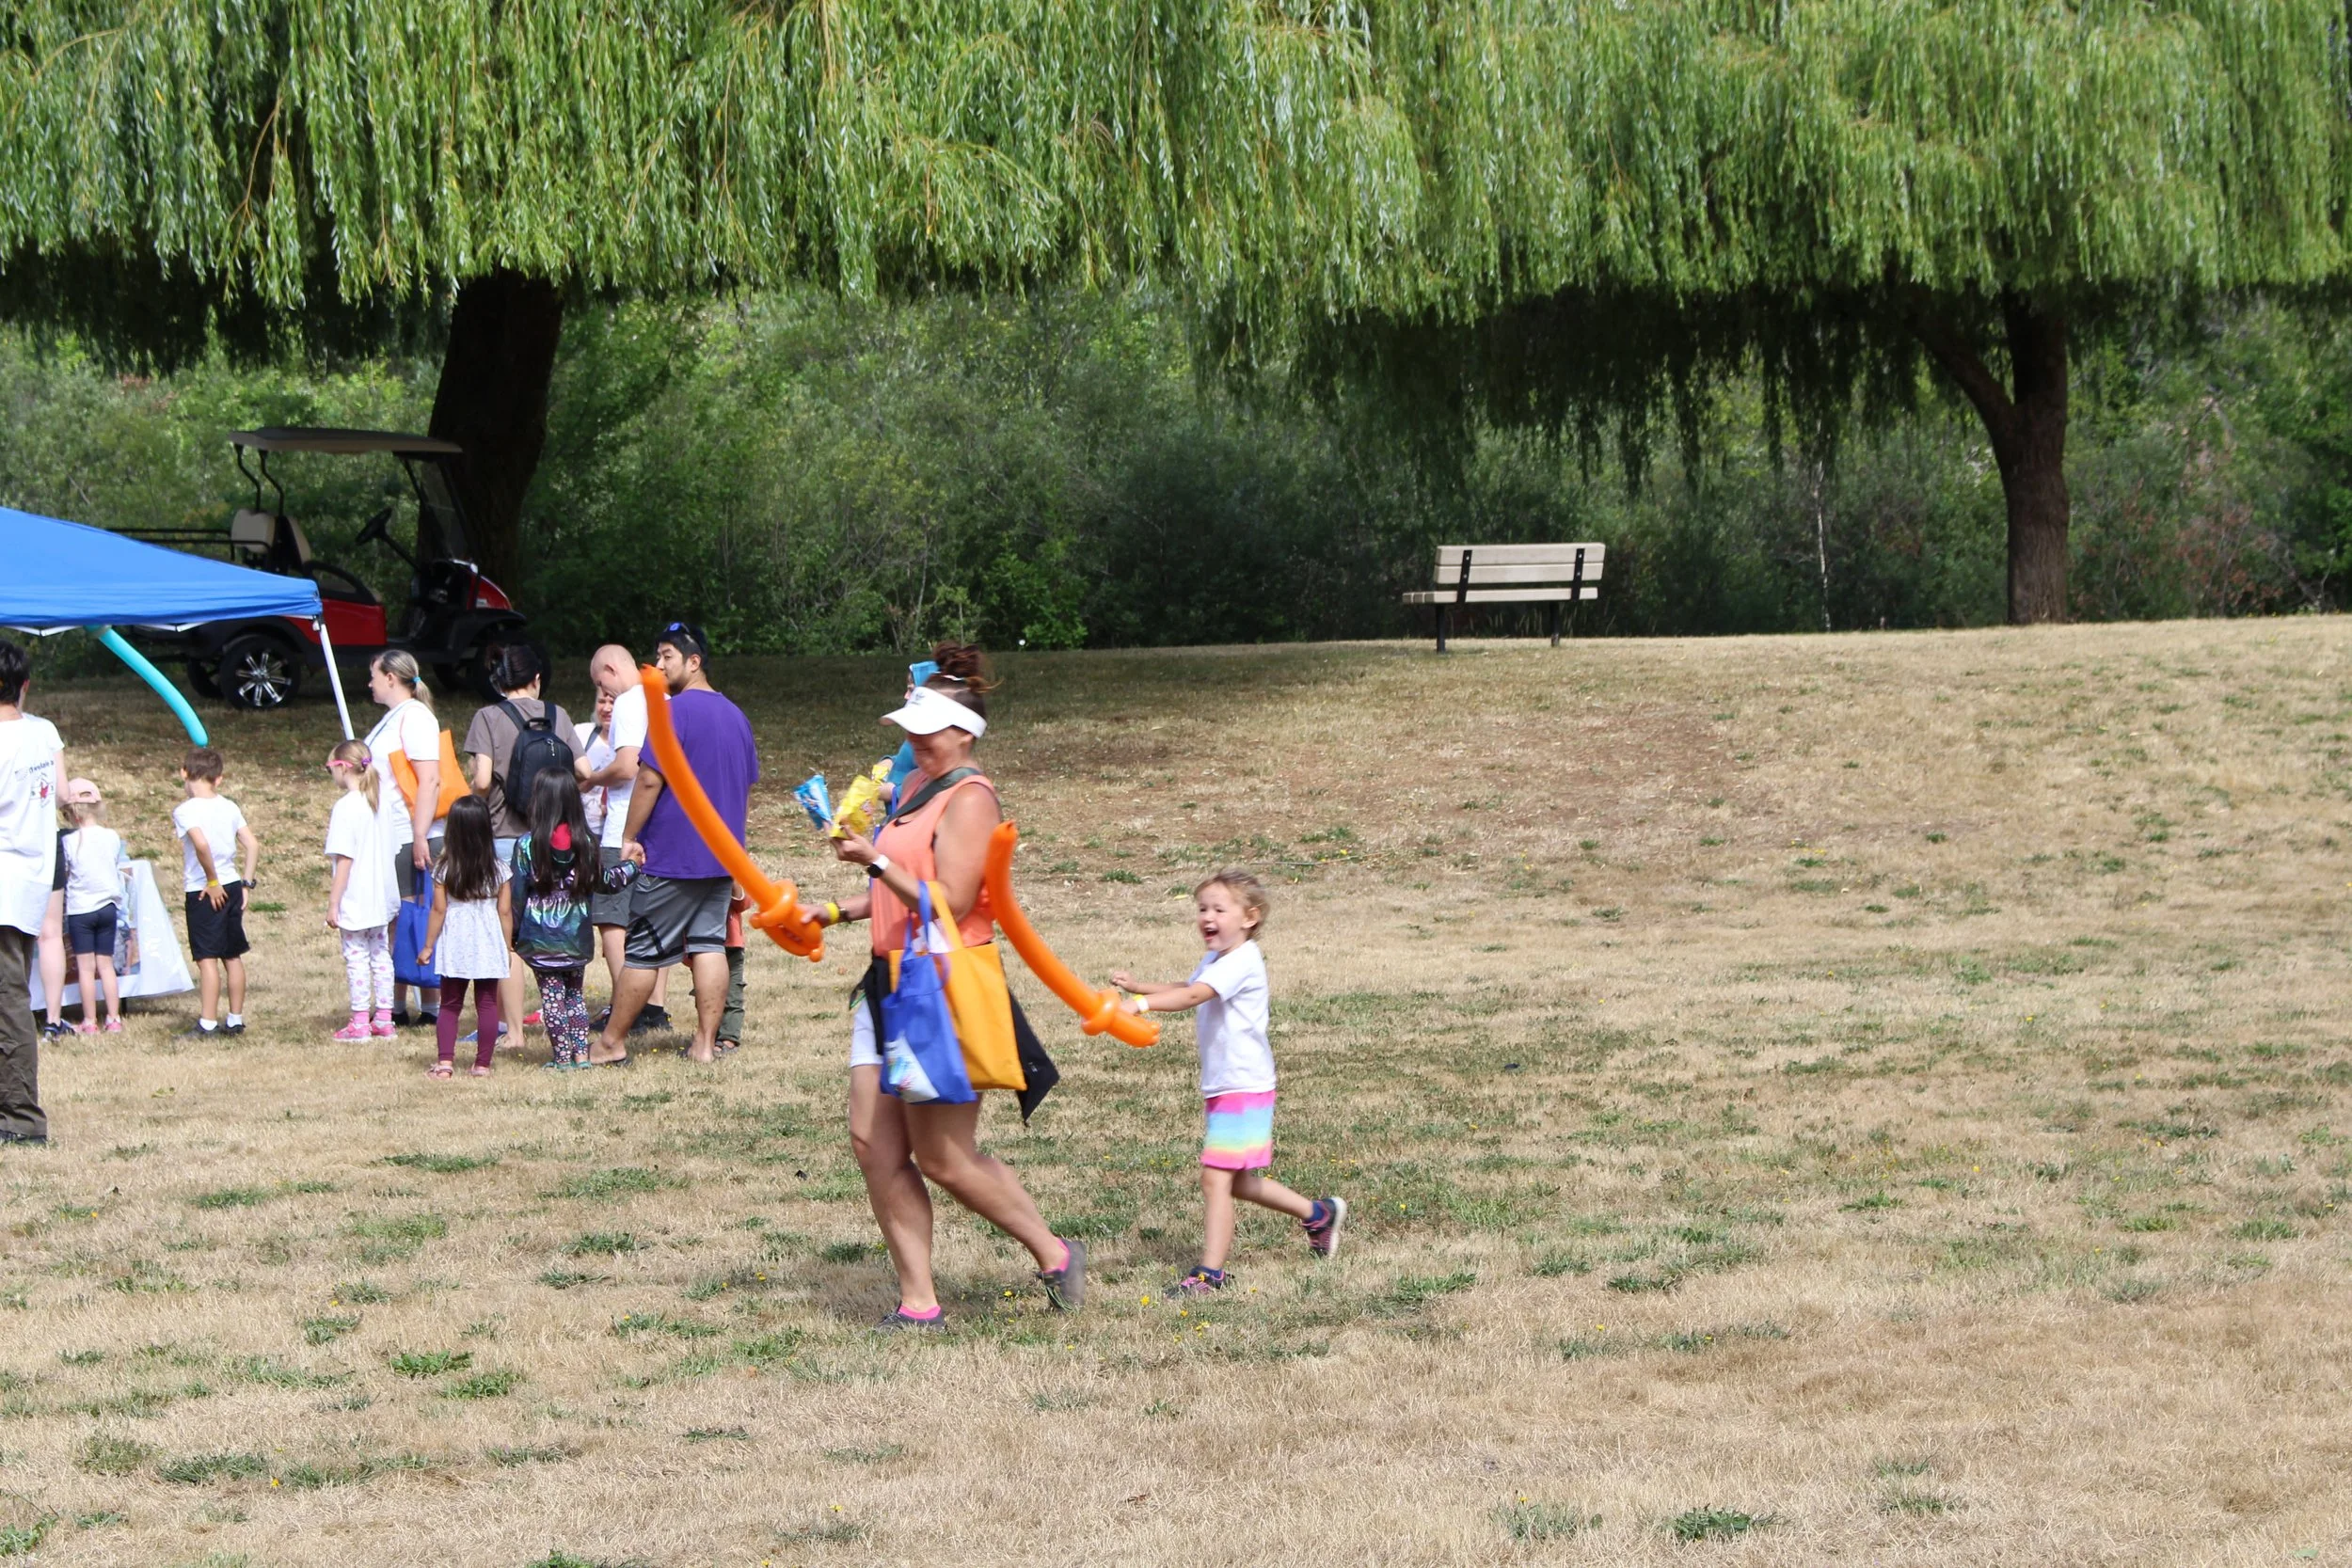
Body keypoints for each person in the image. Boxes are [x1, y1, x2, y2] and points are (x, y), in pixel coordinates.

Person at [795, 644, 1084, 1326]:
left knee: (945, 1157)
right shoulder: (918, 791)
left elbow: (949, 899)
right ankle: (919, 1301)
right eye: (910, 729)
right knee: (874, 1144)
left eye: (926, 729)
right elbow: (899, 889)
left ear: (964, 732)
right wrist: (835, 908)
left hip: (941, 986)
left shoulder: (971, 797)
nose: (913, 739)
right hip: (889, 979)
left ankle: (1054, 1252)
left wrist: (873, 859)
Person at [1113, 870, 1346, 1292]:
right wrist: (1139, 986)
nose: (1207, 917)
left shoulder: (1242, 960)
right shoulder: (1220, 958)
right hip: (1227, 1085)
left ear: (1249, 917)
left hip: (1243, 1085)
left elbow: (1192, 997)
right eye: (1202, 908)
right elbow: (1189, 985)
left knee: (1215, 1178)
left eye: (1220, 909)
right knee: (1237, 1181)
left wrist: (1140, 1004)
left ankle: (1210, 1274)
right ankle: (1318, 1214)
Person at [592, 624, 755, 1067]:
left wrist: (628, 837)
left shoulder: (675, 713)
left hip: (672, 857)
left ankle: (610, 1043)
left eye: (667, 656)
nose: (659, 665)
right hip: (720, 857)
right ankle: (704, 1045)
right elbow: (744, 786)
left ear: (694, 661)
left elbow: (648, 778)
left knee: (643, 950)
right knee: (708, 944)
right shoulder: (737, 716)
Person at [462, 642, 583, 1048]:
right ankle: (566, 1017)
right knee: (556, 923)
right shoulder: (558, 715)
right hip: (554, 839)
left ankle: (513, 1032)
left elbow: (481, 781)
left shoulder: (487, 717)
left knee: (508, 935)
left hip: (505, 835)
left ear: (500, 680)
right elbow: (581, 770)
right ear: (536, 679)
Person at [511, 771, 643, 1069]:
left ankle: (561, 1059)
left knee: (552, 998)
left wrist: (513, 933)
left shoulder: (528, 845)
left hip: (540, 935)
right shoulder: (585, 842)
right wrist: (633, 867)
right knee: (574, 996)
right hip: (576, 933)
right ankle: (582, 1055)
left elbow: (517, 895)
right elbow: (607, 882)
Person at [577, 645, 671, 1033]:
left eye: (602, 683)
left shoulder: (632, 701)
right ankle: (654, 1008)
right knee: (653, 920)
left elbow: (628, 766)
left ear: (612, 670)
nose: (605, 693)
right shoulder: (664, 696)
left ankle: (624, 1009)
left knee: (611, 920)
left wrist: (591, 779)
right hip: (661, 830)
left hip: (623, 830)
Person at [365, 651, 446, 1026]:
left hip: (412, 834)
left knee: (417, 916)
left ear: (392, 678)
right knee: (399, 918)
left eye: (374, 676)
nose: (370, 684)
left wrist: (418, 835)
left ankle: (429, 1004)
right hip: (391, 834)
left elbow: (429, 779)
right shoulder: (394, 718)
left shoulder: (415, 718)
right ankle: (396, 1001)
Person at [0, 640, 59, 1143]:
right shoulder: (43, 732)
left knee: (8, 1002)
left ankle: (20, 1119)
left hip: (3, 885)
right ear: (25, 686)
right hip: (29, 882)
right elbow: (60, 793)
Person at [417, 795, 509, 1079]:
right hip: (488, 939)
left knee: (450, 1003)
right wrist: (507, 945)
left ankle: (445, 1063)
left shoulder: (444, 869)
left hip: (456, 939)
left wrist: (428, 945)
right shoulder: (500, 869)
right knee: (488, 1003)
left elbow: (438, 910)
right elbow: (504, 911)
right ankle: (482, 1065)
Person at [172, 747, 258, 1037]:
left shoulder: (185, 810)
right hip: (233, 884)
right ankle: (235, 1018)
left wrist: (212, 882)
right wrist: (246, 883)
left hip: (203, 890)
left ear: (184, 772)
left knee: (206, 958)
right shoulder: (229, 806)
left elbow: (202, 845)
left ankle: (207, 1022)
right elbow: (253, 845)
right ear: (218, 779)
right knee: (231, 955)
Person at [323, 738, 400, 1041]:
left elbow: (344, 859)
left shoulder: (347, 807)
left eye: (331, 768)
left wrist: (333, 903)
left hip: (357, 896)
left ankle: (359, 1021)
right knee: (381, 954)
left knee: (356, 956)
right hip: (381, 897)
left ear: (342, 767)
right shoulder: (380, 803)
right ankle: (384, 1016)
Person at [59, 781, 129, 1034]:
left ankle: (90, 1021)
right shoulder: (111, 837)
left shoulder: (69, 841)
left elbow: (67, 873)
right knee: (106, 965)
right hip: (108, 907)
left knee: (86, 969)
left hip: (81, 910)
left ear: (72, 813)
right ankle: (114, 1018)